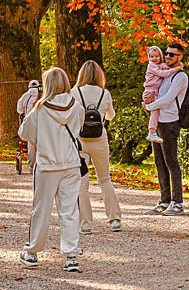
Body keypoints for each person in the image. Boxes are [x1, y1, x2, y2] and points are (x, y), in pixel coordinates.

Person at [17, 66, 85, 272]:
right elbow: (78, 129)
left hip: (47, 164)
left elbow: (25, 132)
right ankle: (71, 255)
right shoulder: (77, 106)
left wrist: (44, 139)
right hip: (71, 162)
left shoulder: (40, 108)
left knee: (41, 209)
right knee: (70, 209)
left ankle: (33, 252)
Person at [73, 60, 122, 234]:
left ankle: (85, 223)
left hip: (80, 140)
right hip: (99, 140)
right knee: (104, 179)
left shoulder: (75, 92)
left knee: (81, 183)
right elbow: (110, 116)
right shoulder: (105, 93)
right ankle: (114, 218)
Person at [144, 42, 189, 216]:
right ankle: (164, 201)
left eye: (172, 54)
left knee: (171, 161)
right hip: (159, 122)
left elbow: (169, 98)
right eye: (167, 53)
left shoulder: (180, 76)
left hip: (170, 122)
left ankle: (177, 203)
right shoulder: (164, 73)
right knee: (159, 162)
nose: (168, 56)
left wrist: (149, 107)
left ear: (180, 57)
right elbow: (157, 92)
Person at [142, 45, 179, 143]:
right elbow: (163, 73)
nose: (154, 59)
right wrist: (175, 69)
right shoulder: (151, 66)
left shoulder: (159, 65)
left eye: (156, 56)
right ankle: (152, 132)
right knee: (155, 111)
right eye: (151, 57)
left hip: (153, 92)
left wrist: (174, 65)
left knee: (155, 111)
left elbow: (165, 67)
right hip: (150, 92)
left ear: (160, 56)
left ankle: (153, 131)